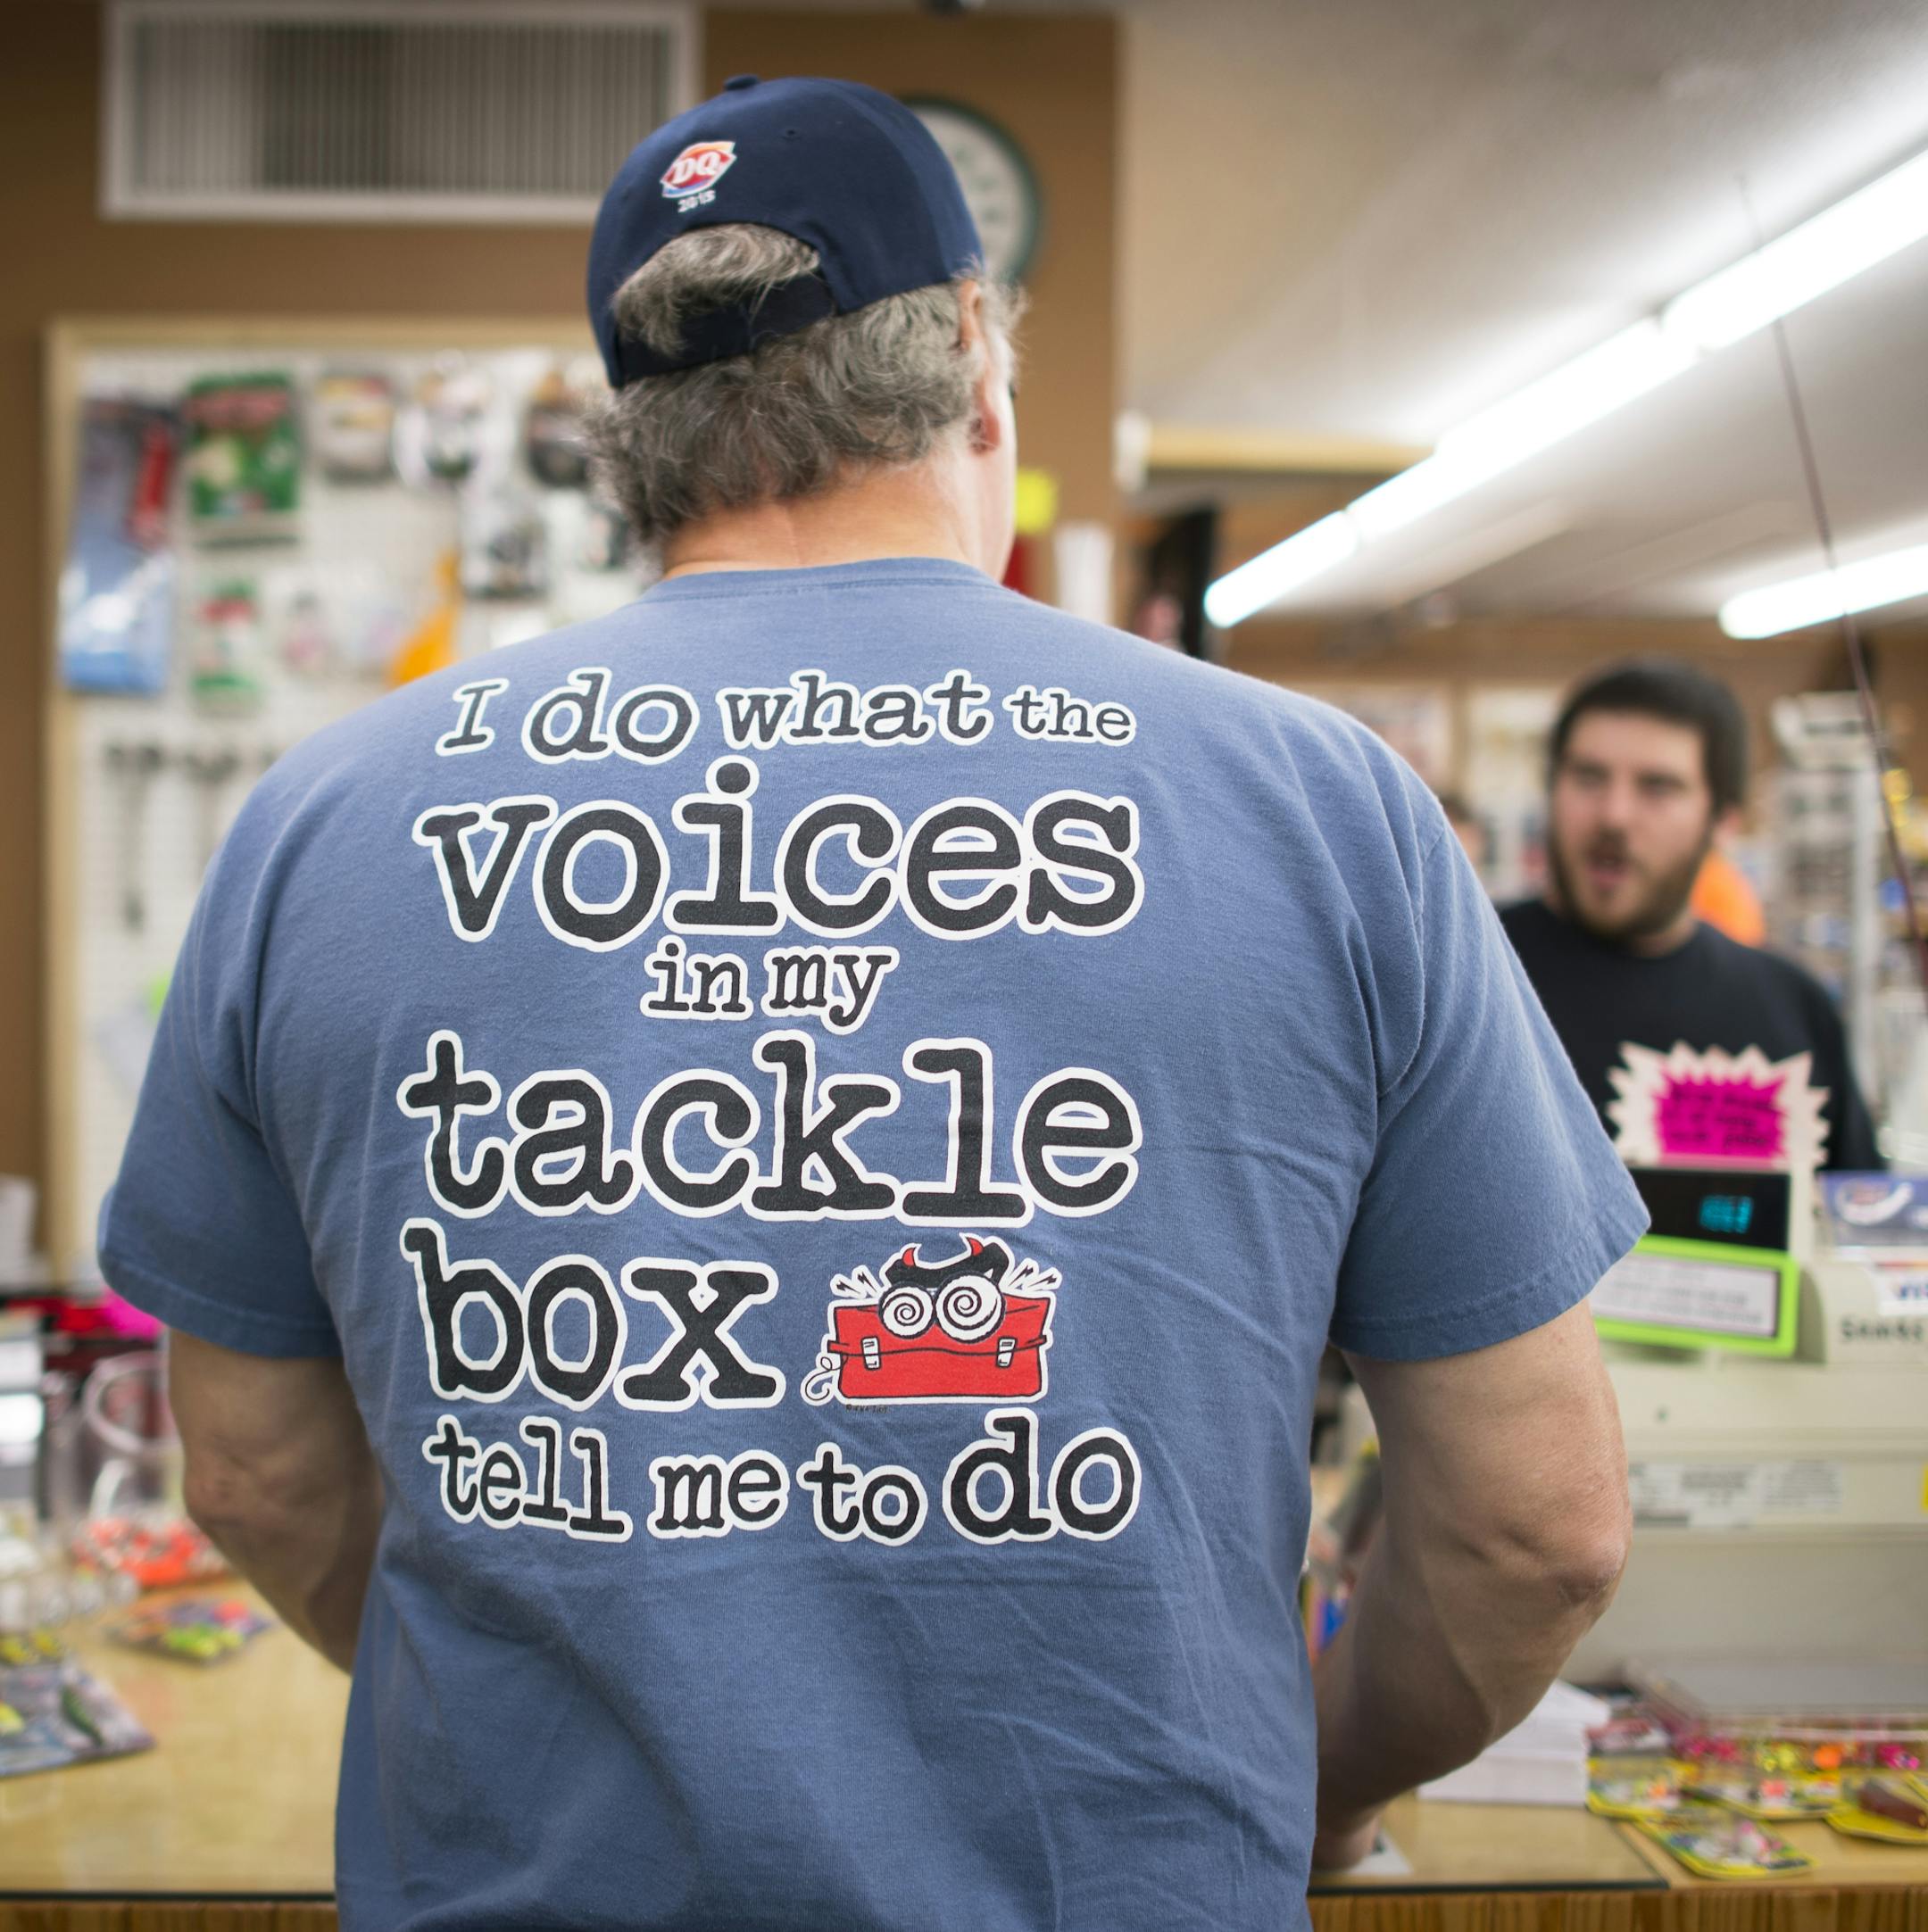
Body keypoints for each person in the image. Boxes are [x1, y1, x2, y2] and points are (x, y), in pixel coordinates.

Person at [100, 76, 1642, 1932]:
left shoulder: (318, 827)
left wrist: (538, 1700)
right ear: (979, 355)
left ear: (633, 426)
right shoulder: (1325, 808)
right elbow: (1536, 1524)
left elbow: (255, 1469)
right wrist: (1306, 1765)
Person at [1501, 659, 1882, 1171]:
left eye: (1657, 787)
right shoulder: (1465, 971)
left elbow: (1856, 1218)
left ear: (1723, 822)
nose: (1614, 815)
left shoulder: (1789, 1006)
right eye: (1588, 777)